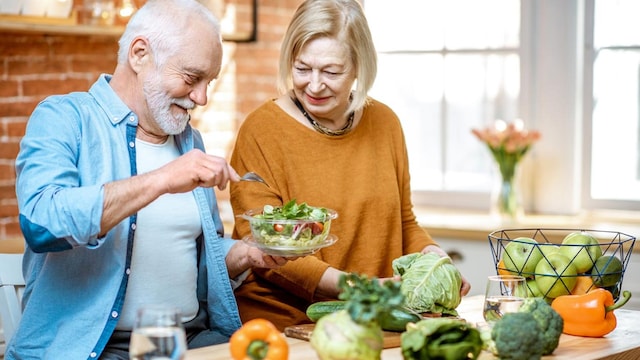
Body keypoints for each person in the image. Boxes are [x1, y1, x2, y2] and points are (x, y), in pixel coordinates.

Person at [9, 0, 288, 358]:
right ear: (140, 54)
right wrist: (161, 179)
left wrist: (247, 254)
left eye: (209, 82)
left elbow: (194, 254)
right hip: (94, 349)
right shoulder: (64, 118)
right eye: (191, 78)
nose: (201, 97)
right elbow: (41, 222)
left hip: (190, 340)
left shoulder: (190, 141)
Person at [228, 0, 471, 331]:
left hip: (372, 319)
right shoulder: (261, 130)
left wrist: (435, 262)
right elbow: (265, 246)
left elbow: (403, 221)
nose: (314, 85)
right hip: (287, 325)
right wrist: (360, 288)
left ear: (359, 67)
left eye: (331, 71)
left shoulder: (385, 123)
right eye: (302, 68)